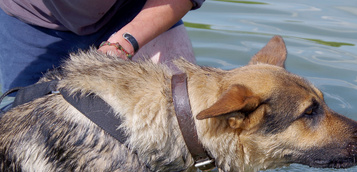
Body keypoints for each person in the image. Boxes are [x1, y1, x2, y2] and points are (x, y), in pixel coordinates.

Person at [0, 0, 205, 93]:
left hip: (132, 10)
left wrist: (123, 44)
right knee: (24, 143)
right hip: (33, 21)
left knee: (183, 115)